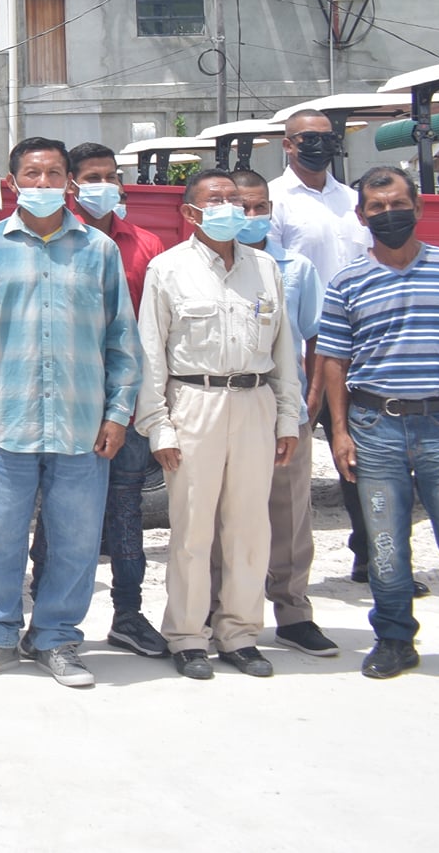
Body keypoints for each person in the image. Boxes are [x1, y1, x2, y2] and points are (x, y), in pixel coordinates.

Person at [0, 137, 142, 689]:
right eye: (31, 174)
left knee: (77, 539)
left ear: (69, 183)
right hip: (6, 420)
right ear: (12, 183)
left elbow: (121, 341)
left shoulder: (98, 251)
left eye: (54, 173)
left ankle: (57, 638)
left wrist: (117, 412)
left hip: (82, 423)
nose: (42, 183)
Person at [321, 167, 439, 696]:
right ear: (361, 217)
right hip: (375, 425)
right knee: (384, 544)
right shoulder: (347, 281)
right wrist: (339, 431)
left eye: (397, 204)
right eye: (376, 209)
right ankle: (395, 639)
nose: (388, 215)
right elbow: (334, 360)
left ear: (419, 207)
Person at [133, 168, 302, 681]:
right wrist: (159, 427)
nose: (231, 209)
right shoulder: (168, 269)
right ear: (190, 212)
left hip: (254, 403)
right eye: (216, 200)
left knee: (250, 528)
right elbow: (151, 355)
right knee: (191, 530)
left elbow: (283, 351)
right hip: (194, 403)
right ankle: (186, 636)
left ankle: (240, 634)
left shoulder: (265, 268)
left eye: (237, 200)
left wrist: (288, 416)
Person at [66, 141, 170, 661]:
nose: (102, 185)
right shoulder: (55, 241)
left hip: (125, 403)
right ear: (71, 183)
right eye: (91, 176)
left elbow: (154, 332)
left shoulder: (146, 246)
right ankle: (50, 617)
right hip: (67, 402)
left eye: (110, 175)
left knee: (127, 514)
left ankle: (128, 613)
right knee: (63, 514)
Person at [230, 168, 337, 658]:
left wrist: (311, 400)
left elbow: (317, 337)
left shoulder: (295, 269)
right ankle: (223, 611)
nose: (252, 217)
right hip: (229, 404)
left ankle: (293, 612)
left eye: (260, 208)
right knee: (224, 511)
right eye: (243, 208)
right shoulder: (208, 266)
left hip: (285, 408)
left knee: (291, 514)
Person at [269, 109, 377, 584]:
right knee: (285, 461)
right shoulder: (270, 202)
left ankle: (372, 555)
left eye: (325, 138)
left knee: (361, 454)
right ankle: (280, 569)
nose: (317, 145)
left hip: (359, 347)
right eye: (306, 138)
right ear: (288, 144)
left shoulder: (355, 202)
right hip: (299, 345)